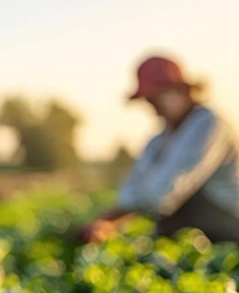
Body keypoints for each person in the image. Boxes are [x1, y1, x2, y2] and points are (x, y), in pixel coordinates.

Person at [82, 55, 239, 244]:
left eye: (155, 99)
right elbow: (134, 187)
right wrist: (103, 222)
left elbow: (165, 193)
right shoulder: (161, 139)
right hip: (189, 241)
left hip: (227, 236)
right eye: (149, 101)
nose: (153, 109)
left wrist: (111, 220)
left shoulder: (208, 125)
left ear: (180, 91)